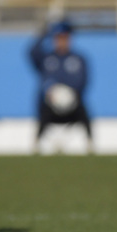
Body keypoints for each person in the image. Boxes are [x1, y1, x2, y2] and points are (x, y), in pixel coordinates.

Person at [29, 19, 93, 155]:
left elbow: (84, 81)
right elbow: (31, 52)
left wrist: (71, 93)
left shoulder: (78, 59)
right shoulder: (47, 58)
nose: (61, 41)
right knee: (43, 110)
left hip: (73, 104)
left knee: (84, 111)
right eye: (58, 38)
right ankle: (36, 144)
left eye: (65, 38)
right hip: (50, 104)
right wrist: (44, 33)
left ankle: (90, 143)